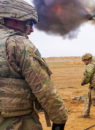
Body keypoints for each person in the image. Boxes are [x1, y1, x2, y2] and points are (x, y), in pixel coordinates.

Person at [0, 0, 68, 130]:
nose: (31, 30)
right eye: (29, 23)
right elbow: (43, 88)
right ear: (14, 19)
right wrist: (59, 119)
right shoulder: (19, 44)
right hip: (17, 123)